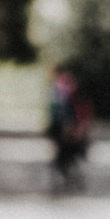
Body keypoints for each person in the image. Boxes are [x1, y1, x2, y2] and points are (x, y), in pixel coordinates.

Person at [45, 65, 93, 195]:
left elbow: (83, 115)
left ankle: (71, 177)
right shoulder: (59, 93)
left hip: (72, 129)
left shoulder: (67, 94)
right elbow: (58, 113)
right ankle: (69, 177)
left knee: (70, 155)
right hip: (63, 128)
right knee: (64, 156)